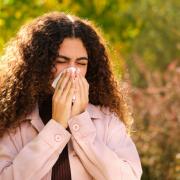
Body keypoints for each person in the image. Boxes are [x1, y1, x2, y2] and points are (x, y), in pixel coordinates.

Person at [0, 12, 142, 180]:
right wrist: (57, 126)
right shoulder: (15, 120)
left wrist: (81, 122)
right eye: (61, 61)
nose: (72, 71)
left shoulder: (106, 120)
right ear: (40, 64)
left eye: (81, 63)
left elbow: (129, 177)